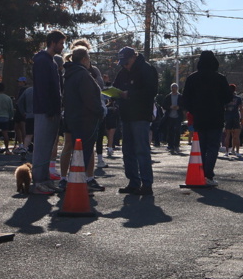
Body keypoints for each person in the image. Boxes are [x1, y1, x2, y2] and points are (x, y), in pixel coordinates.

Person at [112, 46, 158, 195]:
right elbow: (116, 86)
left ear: (133, 57)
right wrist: (113, 94)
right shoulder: (123, 72)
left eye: (126, 62)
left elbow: (152, 91)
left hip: (141, 115)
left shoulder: (146, 69)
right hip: (126, 115)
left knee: (141, 150)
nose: (125, 65)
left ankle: (146, 184)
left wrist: (130, 94)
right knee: (128, 150)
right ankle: (133, 182)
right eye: (122, 63)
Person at [182, 50, 231, 187]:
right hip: (216, 116)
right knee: (213, 147)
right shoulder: (220, 78)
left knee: (201, 147)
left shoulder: (192, 78)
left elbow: (185, 99)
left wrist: (194, 110)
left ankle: (201, 172)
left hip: (199, 117)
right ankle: (208, 174)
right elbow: (228, 97)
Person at [62, 46, 104, 190]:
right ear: (85, 59)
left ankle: (72, 181)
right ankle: (79, 184)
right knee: (84, 152)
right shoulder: (83, 75)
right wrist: (100, 111)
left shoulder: (69, 74)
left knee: (75, 150)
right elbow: (89, 98)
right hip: (85, 119)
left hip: (72, 117)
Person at [30, 30, 66, 194]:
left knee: (48, 147)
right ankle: (38, 181)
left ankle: (45, 179)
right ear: (52, 43)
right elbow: (43, 88)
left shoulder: (51, 62)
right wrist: (50, 109)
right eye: (61, 43)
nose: (62, 46)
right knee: (41, 147)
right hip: (45, 111)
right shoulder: (41, 61)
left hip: (53, 110)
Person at [159, 83, 185, 154]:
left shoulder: (180, 97)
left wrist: (179, 107)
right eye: (173, 88)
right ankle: (170, 145)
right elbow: (164, 105)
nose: (174, 89)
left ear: (177, 88)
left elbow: (184, 105)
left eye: (175, 88)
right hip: (170, 116)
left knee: (177, 131)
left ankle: (176, 145)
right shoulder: (168, 97)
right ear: (171, 89)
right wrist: (170, 107)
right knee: (170, 131)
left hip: (178, 116)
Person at [223, 84, 243, 157]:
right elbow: (241, 109)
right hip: (235, 117)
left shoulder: (225, 98)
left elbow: (223, 109)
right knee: (236, 135)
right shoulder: (238, 98)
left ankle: (227, 151)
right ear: (235, 90)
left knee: (227, 135)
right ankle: (236, 151)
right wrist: (241, 119)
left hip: (228, 117)